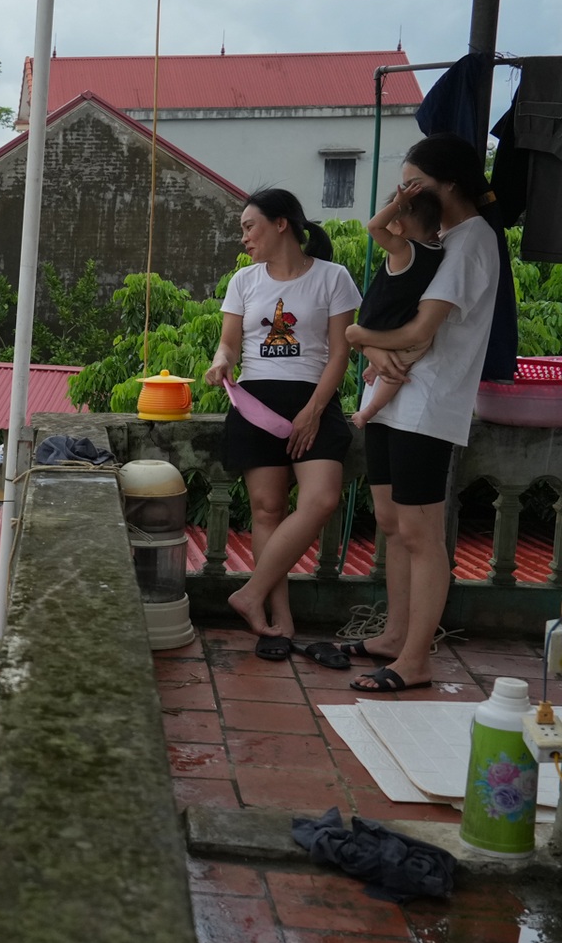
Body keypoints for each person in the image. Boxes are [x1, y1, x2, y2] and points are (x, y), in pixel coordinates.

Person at [345, 133, 505, 693]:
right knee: (390, 523)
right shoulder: (434, 241)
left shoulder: (472, 241)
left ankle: (415, 660)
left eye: (415, 183)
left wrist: (356, 334)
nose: (406, 193)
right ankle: (393, 637)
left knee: (420, 531)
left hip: (428, 402)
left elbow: (419, 330)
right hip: (393, 399)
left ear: (449, 185)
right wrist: (367, 344)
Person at [201, 188, 361, 660]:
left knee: (321, 499)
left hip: (314, 399)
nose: (244, 237)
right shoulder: (244, 282)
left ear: (281, 224)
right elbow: (229, 343)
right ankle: (280, 621)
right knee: (267, 509)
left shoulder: (333, 277)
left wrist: (313, 410)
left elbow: (340, 354)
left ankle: (249, 594)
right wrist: (220, 362)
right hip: (256, 402)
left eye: (250, 226)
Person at [352, 186, 446, 430]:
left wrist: (397, 203)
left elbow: (373, 227)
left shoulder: (405, 250)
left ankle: (368, 412)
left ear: (399, 226)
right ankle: (374, 366)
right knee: (392, 363)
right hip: (400, 322)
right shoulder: (437, 250)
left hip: (396, 332)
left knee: (394, 374)